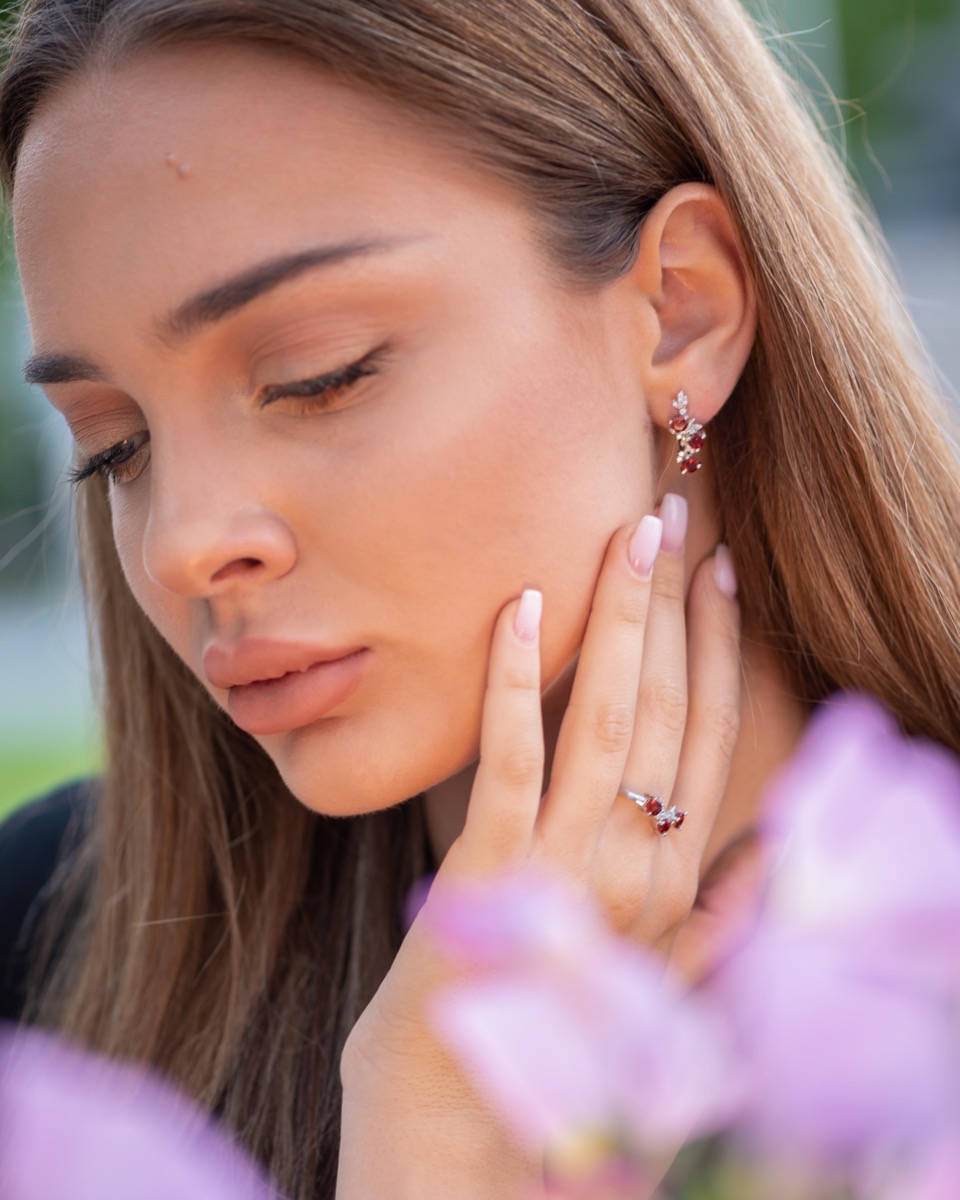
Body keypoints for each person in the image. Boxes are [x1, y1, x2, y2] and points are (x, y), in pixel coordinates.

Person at [0, 0, 958, 1195]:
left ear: (683, 307)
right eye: (115, 447)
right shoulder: (39, 962)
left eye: (319, 375)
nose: (185, 545)